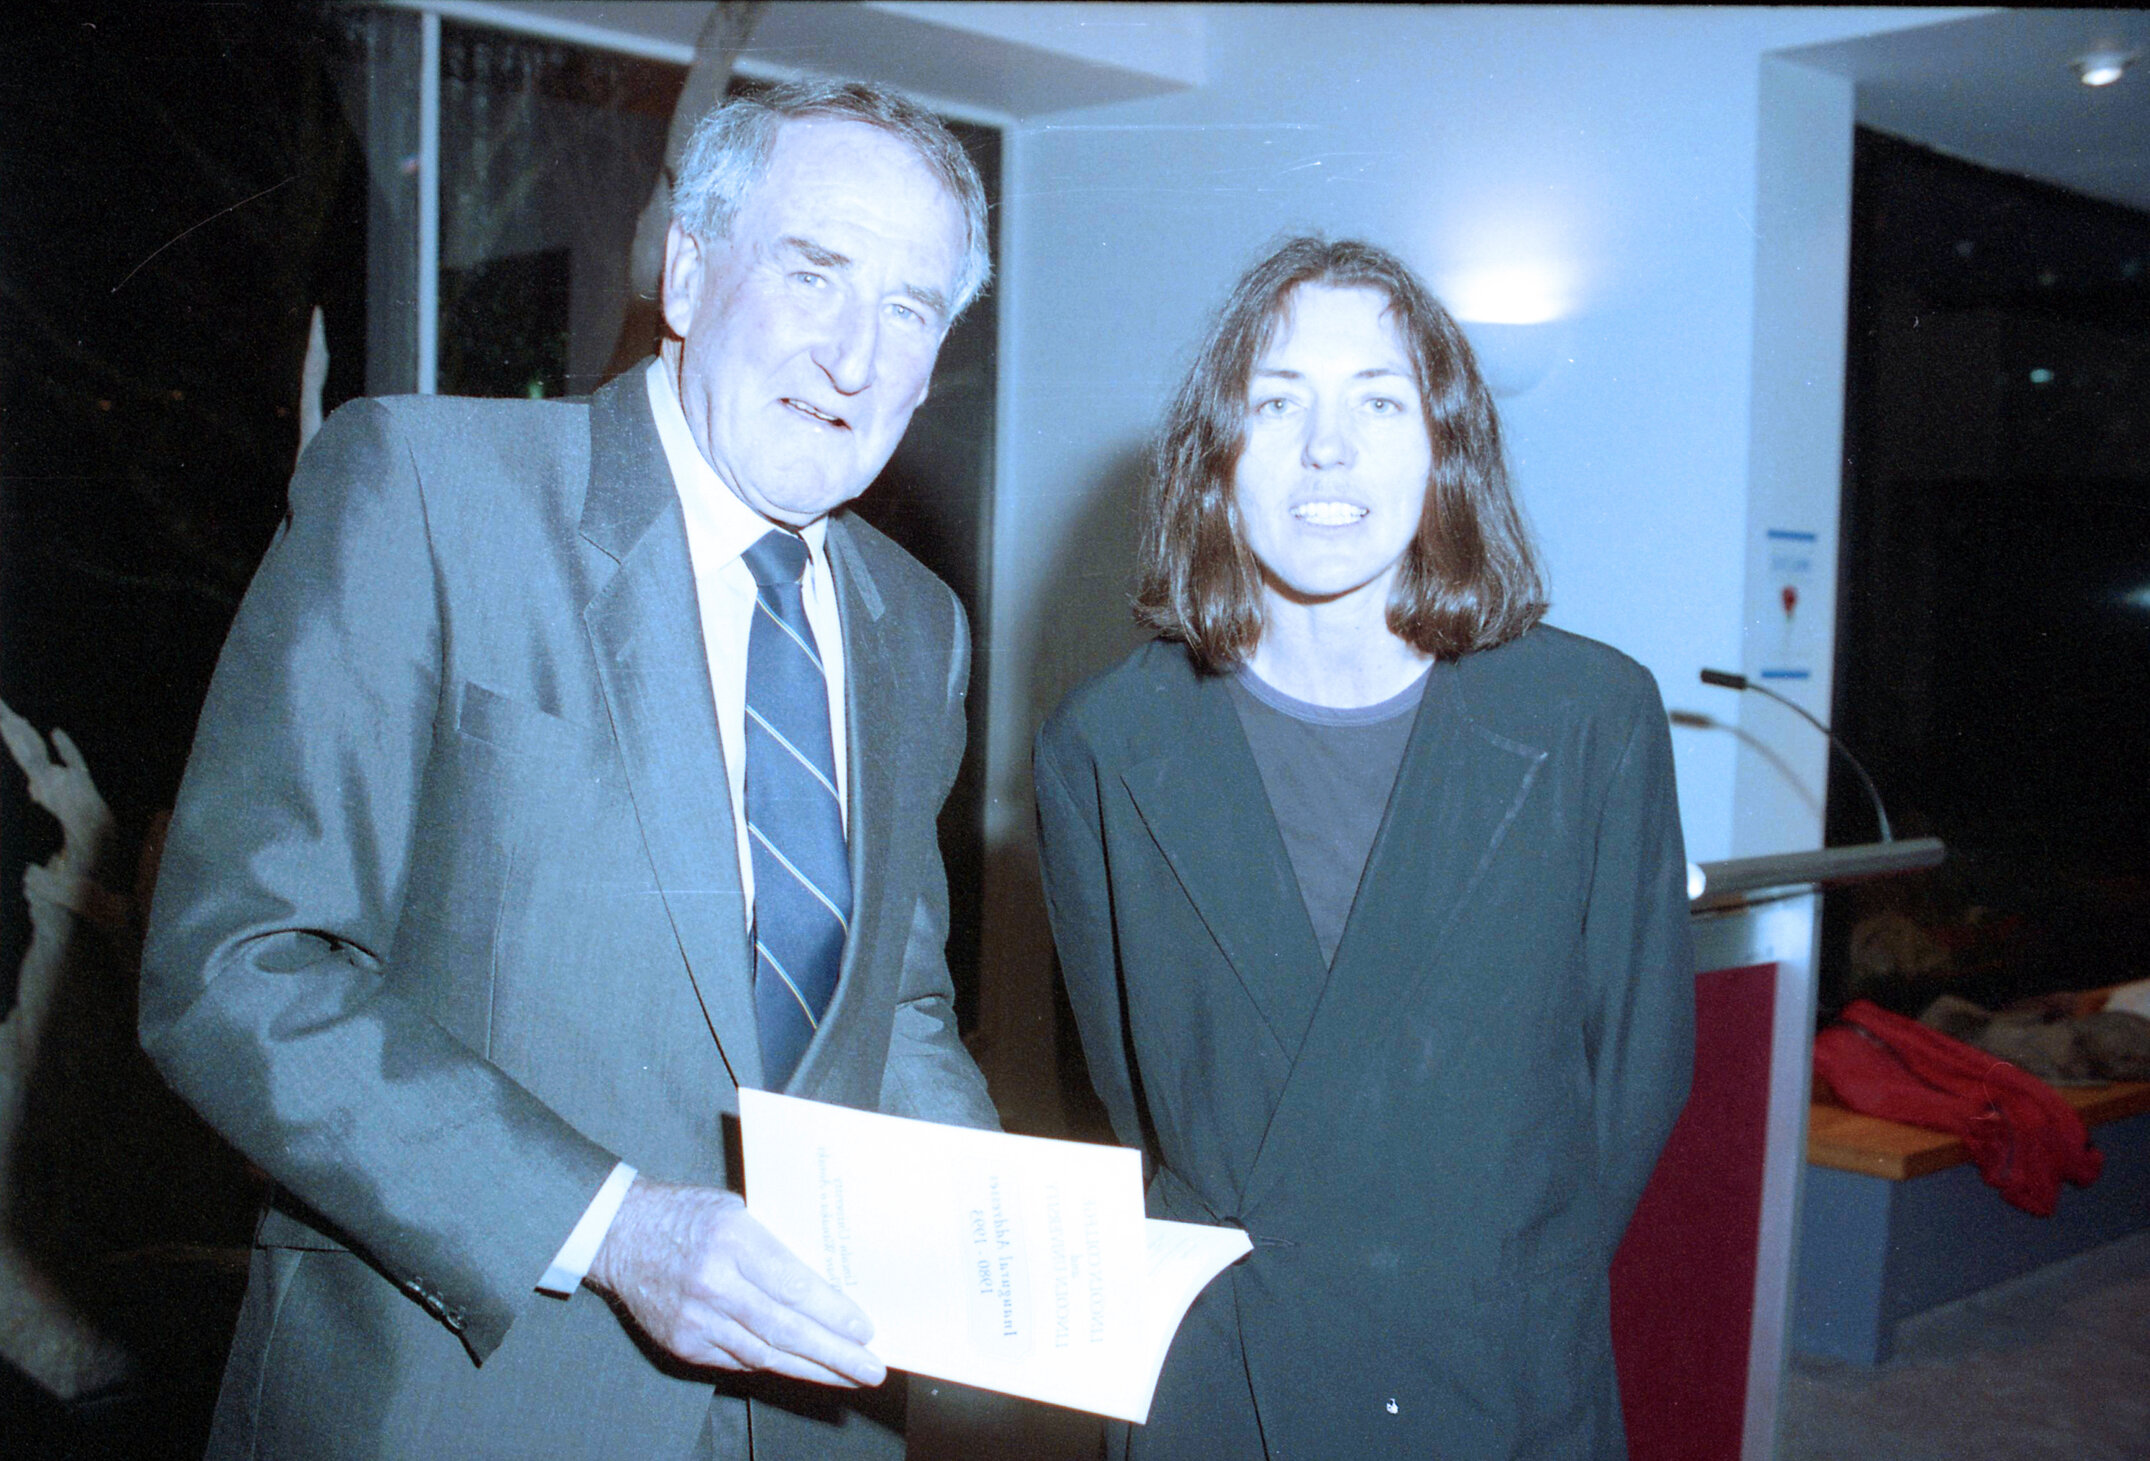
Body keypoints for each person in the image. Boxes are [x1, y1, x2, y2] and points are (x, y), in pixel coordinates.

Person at [140, 80, 1000, 1460]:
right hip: (455, 1407)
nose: (852, 356)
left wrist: (993, 1240)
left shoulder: (918, 627)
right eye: (813, 270)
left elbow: (891, 1003)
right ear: (691, 269)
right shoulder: (425, 489)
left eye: (907, 310)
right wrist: (609, 1227)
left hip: (810, 1416)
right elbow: (238, 964)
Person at [1034, 237, 1694, 1459]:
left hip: (1494, 1372)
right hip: (1221, 1377)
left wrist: (1497, 1285)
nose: (1325, 448)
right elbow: (1120, 1094)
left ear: (1445, 448)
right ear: (1214, 456)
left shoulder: (1590, 718)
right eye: (1276, 402)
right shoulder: (1105, 741)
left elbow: (1635, 1074)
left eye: (1379, 401)